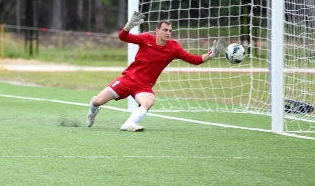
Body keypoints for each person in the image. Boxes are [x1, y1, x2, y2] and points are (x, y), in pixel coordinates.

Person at [86, 11, 226, 132]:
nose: (168, 33)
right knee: (98, 101)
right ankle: (93, 111)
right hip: (128, 79)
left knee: (149, 101)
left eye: (170, 31)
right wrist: (128, 27)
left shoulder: (174, 48)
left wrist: (211, 55)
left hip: (144, 86)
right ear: (157, 31)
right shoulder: (146, 39)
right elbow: (123, 37)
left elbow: (194, 60)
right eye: (165, 30)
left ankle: (129, 123)